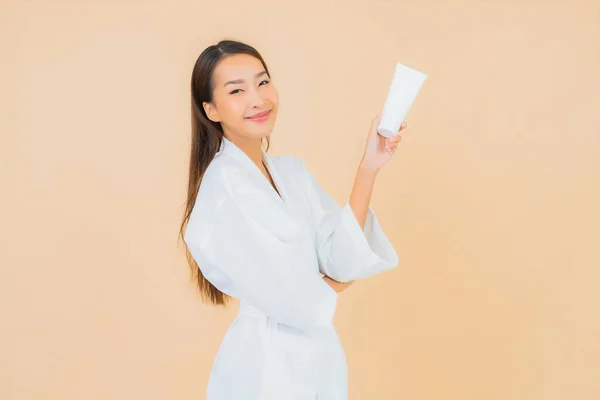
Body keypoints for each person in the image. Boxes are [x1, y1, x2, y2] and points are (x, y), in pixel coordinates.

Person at [179, 39, 407, 400]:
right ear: (211, 110)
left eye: (263, 82)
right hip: (263, 368)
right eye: (236, 90)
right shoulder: (224, 188)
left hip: (317, 360)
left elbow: (342, 257)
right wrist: (331, 284)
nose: (257, 99)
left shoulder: (291, 173)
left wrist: (369, 166)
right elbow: (296, 300)